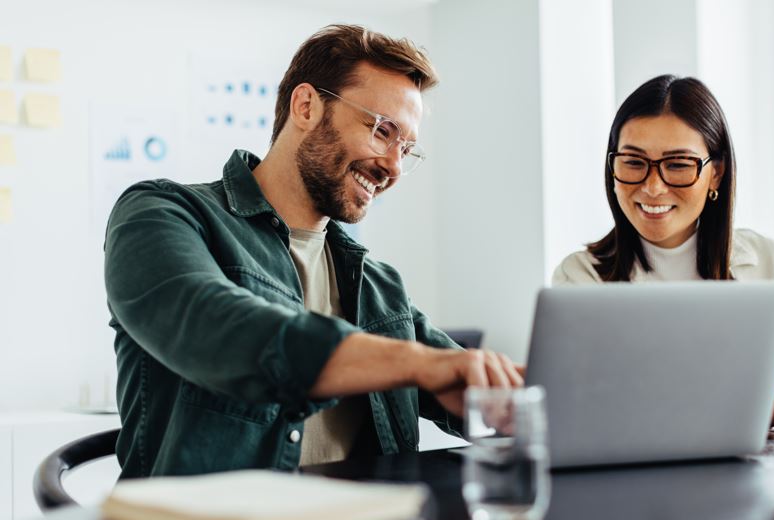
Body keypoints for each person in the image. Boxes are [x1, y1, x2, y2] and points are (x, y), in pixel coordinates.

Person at [105, 24, 522, 478]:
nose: (394, 167)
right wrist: (419, 363)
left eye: (407, 148)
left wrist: (512, 394)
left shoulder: (379, 285)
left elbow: (459, 377)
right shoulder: (162, 213)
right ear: (306, 106)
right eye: (382, 131)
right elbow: (216, 326)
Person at [553, 74, 774, 434]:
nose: (653, 187)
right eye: (634, 162)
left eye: (678, 165)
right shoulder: (580, 280)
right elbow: (588, 406)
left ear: (715, 174)